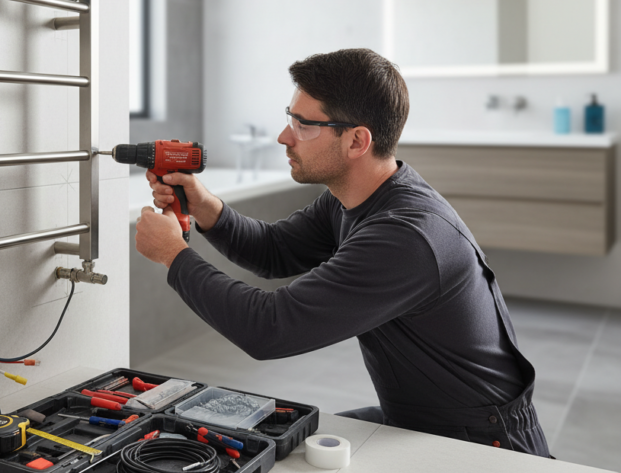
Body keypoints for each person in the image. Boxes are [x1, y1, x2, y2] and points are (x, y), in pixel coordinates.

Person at [133, 48, 549, 456]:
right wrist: (206, 206)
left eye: (303, 125)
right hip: (416, 418)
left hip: (483, 442)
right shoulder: (354, 197)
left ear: (356, 141)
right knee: (289, 448)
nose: (284, 136)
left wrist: (174, 255)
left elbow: (269, 329)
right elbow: (276, 250)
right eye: (290, 118)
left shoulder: (407, 236)